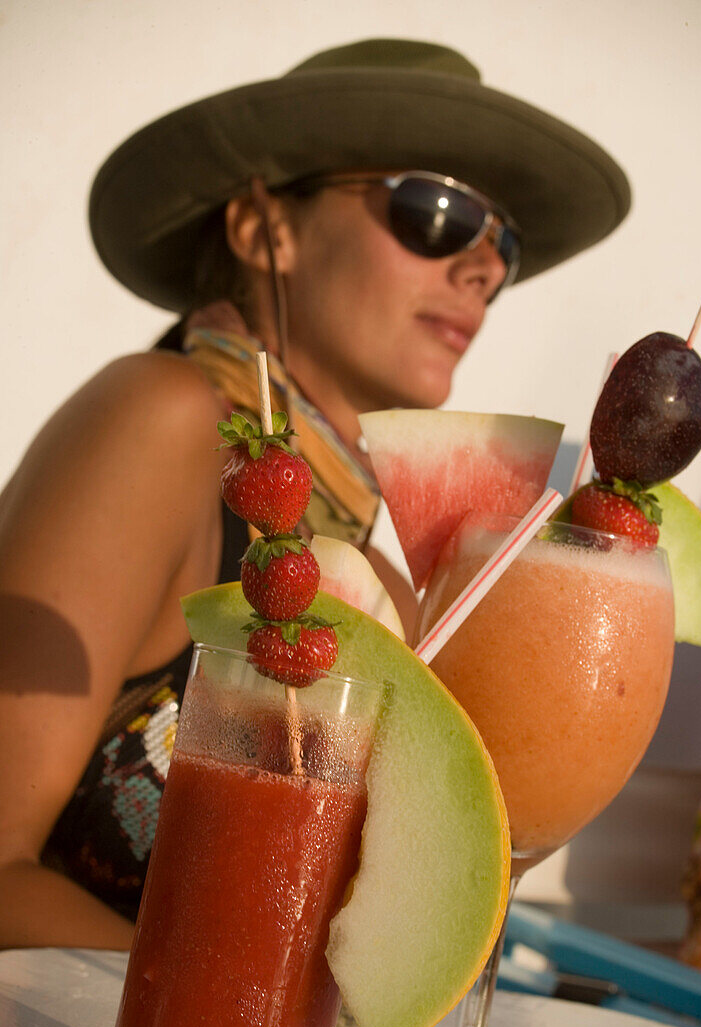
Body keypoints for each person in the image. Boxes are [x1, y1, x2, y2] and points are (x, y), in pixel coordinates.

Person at [0, 38, 630, 949]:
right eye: (437, 211)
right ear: (266, 232)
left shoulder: (369, 558)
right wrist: (245, 1025)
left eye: (505, 243)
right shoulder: (164, 420)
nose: (484, 267)